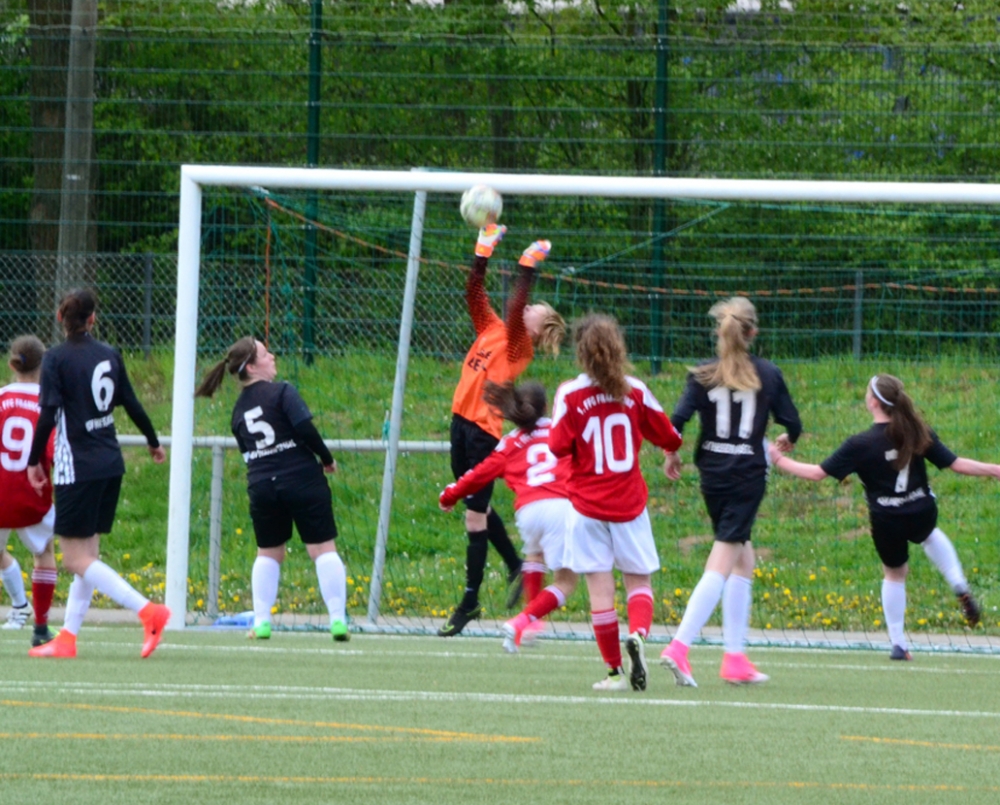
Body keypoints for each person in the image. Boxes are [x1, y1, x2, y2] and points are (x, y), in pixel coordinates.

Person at [768, 373, 990, 661]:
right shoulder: (917, 431)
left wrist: (778, 459)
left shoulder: (860, 444)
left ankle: (898, 644)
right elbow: (957, 464)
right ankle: (958, 582)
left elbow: (816, 474)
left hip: (887, 520)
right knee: (929, 534)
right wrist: (996, 470)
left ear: (873, 402)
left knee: (895, 574)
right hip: (920, 509)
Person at [660, 297, 802, 687]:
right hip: (746, 476)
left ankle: (735, 658)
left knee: (742, 558)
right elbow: (792, 421)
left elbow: (676, 421)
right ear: (752, 332)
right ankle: (679, 646)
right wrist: (788, 438)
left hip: (712, 475)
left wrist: (671, 453)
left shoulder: (703, 373)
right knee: (724, 558)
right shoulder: (768, 374)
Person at [25, 288, 170, 659]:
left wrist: (33, 460)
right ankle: (68, 638)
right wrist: (153, 440)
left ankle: (148, 611)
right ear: (93, 319)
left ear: (60, 318)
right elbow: (131, 402)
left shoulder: (55, 358)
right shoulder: (109, 354)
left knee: (75, 559)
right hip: (109, 462)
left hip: (77, 466)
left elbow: (49, 414)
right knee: (88, 556)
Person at [439, 224, 566, 637]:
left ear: (536, 330)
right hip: (459, 424)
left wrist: (527, 267)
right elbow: (474, 293)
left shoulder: (518, 345)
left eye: (534, 312)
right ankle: (514, 563)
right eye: (531, 307)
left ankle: (469, 602)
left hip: (482, 434)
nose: (527, 311)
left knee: (474, 517)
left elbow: (515, 308)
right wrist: (482, 252)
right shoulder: (493, 329)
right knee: (476, 506)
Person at [548, 314, 682, 692]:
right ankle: (637, 634)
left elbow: (556, 445)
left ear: (581, 353)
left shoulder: (569, 394)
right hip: (628, 505)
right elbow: (667, 433)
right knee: (638, 580)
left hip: (586, 507)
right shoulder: (635, 390)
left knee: (600, 591)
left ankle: (613, 673)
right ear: (617, 347)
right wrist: (671, 452)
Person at [196, 336, 349, 642]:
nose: (273, 357)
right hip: (301, 478)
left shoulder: (238, 411)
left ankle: (262, 622)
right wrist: (327, 458)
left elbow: (248, 454)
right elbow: (305, 428)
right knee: (321, 549)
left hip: (263, 485)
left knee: (268, 552)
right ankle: (337, 620)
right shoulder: (283, 392)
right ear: (252, 367)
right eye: (266, 354)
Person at [438, 380, 576, 653]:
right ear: (546, 407)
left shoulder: (509, 443)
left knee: (535, 555)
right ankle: (524, 621)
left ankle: (530, 625)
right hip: (560, 507)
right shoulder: (561, 430)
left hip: (528, 512)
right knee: (566, 581)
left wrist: (449, 496)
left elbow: (478, 474)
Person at [0, 335, 58, 647]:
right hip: (33, 492)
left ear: (12, 365)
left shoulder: (1, 398)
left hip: (1, 491)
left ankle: (19, 606)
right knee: (44, 552)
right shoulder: (49, 404)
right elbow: (54, 450)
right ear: (44, 365)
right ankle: (40, 626)